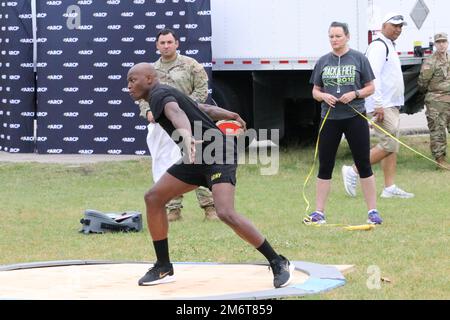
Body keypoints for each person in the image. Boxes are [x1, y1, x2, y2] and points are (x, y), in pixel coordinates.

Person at [127, 62, 294, 288]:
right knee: (153, 198)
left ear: (149, 78)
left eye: (132, 80)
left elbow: (175, 113)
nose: (128, 86)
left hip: (217, 152)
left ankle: (278, 261)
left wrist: (185, 135)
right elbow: (202, 109)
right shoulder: (167, 92)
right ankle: (163, 266)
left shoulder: (158, 94)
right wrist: (231, 113)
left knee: (225, 212)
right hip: (197, 156)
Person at [307, 22, 382, 225]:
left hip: (355, 117)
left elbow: (370, 88)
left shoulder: (359, 59)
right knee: (325, 165)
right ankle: (319, 213)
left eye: (338, 36)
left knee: (364, 164)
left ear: (347, 37)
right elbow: (315, 91)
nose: (334, 40)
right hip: (329, 119)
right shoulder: (323, 61)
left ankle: (373, 212)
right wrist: (323, 96)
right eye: (331, 36)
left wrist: (355, 93)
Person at [342, 12, 415, 199]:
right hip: (382, 104)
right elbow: (372, 76)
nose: (398, 29)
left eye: (401, 26)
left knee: (392, 145)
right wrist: (378, 104)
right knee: (389, 144)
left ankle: (389, 187)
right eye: (395, 25)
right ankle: (354, 170)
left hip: (391, 104)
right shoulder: (379, 45)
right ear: (383, 25)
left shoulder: (389, 45)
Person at [152, 28, 217, 221]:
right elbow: (145, 96)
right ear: (157, 46)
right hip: (167, 127)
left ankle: (209, 207)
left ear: (176, 44)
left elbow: (202, 89)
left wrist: (187, 108)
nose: (166, 46)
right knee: (170, 165)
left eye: (169, 42)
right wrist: (147, 111)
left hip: (193, 122)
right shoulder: (152, 71)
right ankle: (173, 209)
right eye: (162, 43)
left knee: (198, 161)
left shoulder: (191, 65)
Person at [418, 32, 450, 170]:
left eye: (444, 41)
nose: (442, 44)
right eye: (439, 42)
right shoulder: (430, 61)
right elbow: (422, 82)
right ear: (435, 44)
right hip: (436, 101)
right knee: (438, 131)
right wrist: (434, 94)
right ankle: (440, 161)